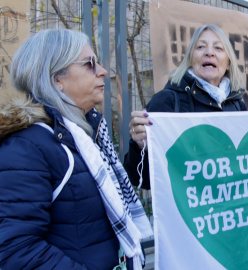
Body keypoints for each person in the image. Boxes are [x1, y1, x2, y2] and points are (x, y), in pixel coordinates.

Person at [0, 29, 152, 269]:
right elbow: (16, 250)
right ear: (56, 79)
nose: (102, 70)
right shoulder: (27, 146)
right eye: (90, 63)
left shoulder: (86, 137)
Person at [123, 24, 248, 188]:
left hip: (229, 224)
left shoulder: (237, 105)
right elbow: (139, 180)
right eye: (201, 47)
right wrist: (140, 147)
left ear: (228, 62)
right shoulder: (167, 102)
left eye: (218, 48)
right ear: (191, 58)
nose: (209, 52)